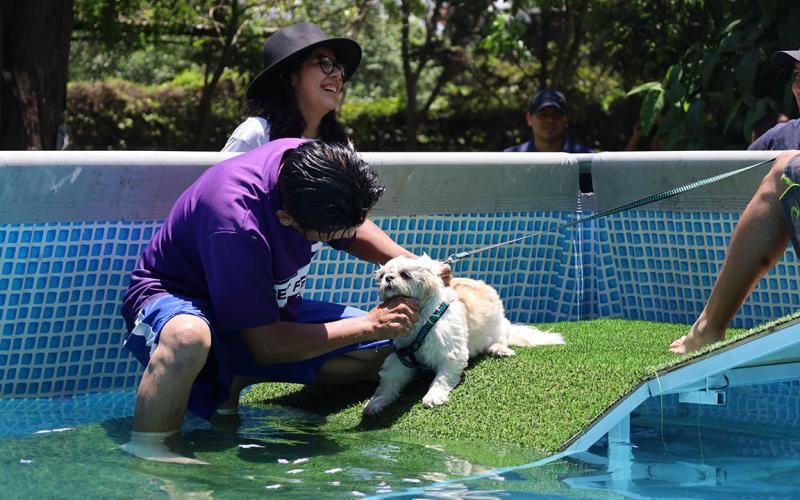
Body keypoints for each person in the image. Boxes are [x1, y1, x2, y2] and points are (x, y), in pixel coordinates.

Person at [121, 139, 426, 464]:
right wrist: (368, 324)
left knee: (392, 352)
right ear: (286, 219)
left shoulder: (313, 166)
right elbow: (266, 344)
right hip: (181, 300)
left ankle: (239, 375)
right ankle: (151, 454)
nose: (341, 237)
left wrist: (414, 263)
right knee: (187, 338)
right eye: (330, 236)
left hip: (261, 313)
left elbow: (351, 227)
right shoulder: (235, 222)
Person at [670, 47, 800, 353]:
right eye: (797, 76)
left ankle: (707, 328)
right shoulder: (781, 138)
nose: (799, 87)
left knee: (787, 167)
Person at [222, 22, 359, 152]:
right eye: (324, 62)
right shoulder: (258, 135)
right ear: (289, 75)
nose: (337, 74)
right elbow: (218, 176)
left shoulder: (342, 145)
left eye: (338, 67)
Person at [504, 89, 595, 192]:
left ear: (566, 119)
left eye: (556, 114)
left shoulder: (588, 160)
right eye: (542, 114)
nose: (550, 120)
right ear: (529, 118)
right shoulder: (508, 159)